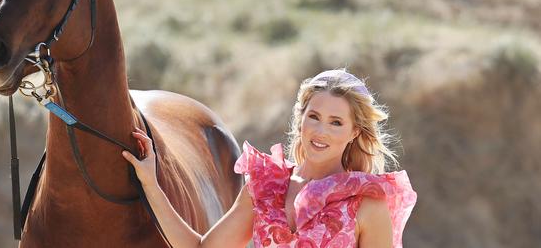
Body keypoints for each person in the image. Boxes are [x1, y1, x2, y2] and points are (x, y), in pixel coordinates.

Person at [122, 68, 417, 247]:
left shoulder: (367, 205)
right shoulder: (265, 188)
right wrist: (151, 184)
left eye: (336, 122)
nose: (320, 131)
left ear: (354, 132)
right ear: (300, 119)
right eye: (313, 116)